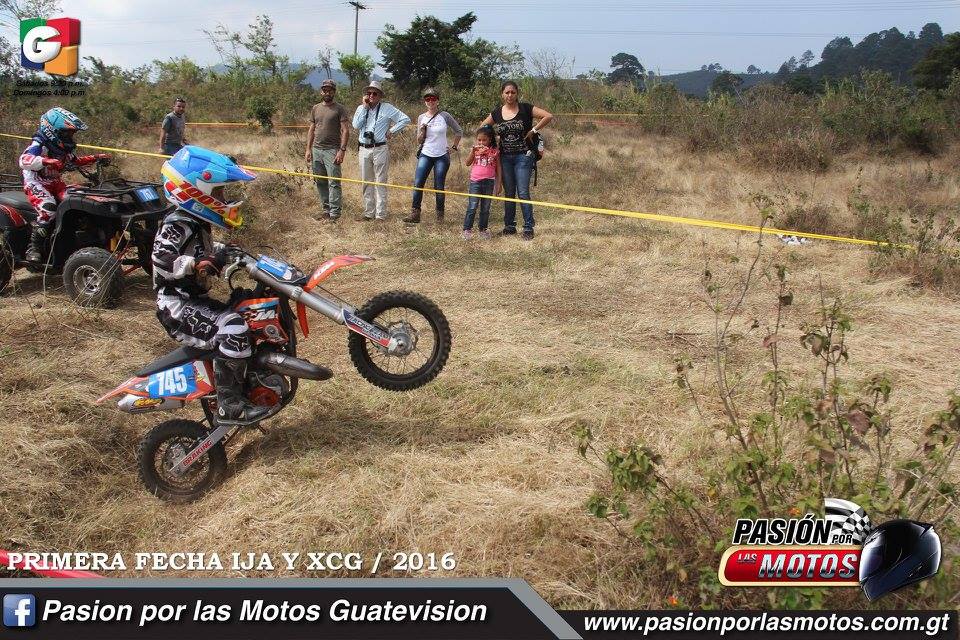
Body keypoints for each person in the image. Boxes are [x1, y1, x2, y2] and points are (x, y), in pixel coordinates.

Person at [153, 145, 269, 424]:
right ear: (196, 191)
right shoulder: (177, 224)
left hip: (192, 301)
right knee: (234, 328)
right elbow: (161, 259)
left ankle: (252, 383)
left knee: (247, 311)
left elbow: (200, 249)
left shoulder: (195, 223)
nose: (223, 199)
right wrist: (196, 264)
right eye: (218, 192)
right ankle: (230, 405)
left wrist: (224, 251)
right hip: (175, 305)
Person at [18, 107, 109, 263]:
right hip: (36, 182)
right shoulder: (39, 144)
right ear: (52, 130)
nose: (70, 136)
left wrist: (96, 157)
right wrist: (45, 161)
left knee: (78, 202)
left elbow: (76, 161)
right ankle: (34, 248)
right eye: (67, 133)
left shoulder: (63, 148)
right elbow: (24, 160)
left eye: (72, 133)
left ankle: (80, 241)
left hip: (56, 182)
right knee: (48, 209)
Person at [480, 81, 553, 240]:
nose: (510, 95)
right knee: (509, 193)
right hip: (505, 157)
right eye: (507, 92)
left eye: (513, 92)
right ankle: (509, 227)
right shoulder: (497, 113)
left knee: (523, 192)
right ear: (502, 94)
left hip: (523, 156)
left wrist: (533, 130)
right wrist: (491, 140)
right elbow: (483, 127)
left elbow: (548, 116)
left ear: (517, 93)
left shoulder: (526, 108)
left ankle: (528, 227)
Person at [351, 80, 410, 222]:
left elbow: (405, 119)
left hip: (380, 148)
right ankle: (368, 213)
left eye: (375, 93)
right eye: (369, 93)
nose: (371, 95)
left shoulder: (387, 108)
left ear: (380, 96)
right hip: (364, 148)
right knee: (366, 181)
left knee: (380, 181)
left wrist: (392, 131)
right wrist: (364, 108)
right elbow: (356, 125)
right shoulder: (360, 108)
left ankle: (380, 215)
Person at [403, 87, 462, 224]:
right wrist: (422, 131)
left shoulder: (445, 116)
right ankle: (415, 214)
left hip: (442, 155)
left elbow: (459, 131)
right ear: (425, 101)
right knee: (418, 183)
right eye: (427, 99)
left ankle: (440, 217)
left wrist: (454, 147)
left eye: (433, 98)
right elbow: (418, 140)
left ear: (438, 101)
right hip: (426, 153)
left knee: (439, 186)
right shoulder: (421, 117)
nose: (430, 101)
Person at [305, 79, 350, 222]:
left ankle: (335, 214)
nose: (327, 92)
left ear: (334, 92)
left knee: (334, 182)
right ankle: (326, 210)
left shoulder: (339, 109)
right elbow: (312, 129)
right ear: (321, 91)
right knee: (320, 181)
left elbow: (345, 130)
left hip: (332, 150)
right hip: (317, 150)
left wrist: (342, 150)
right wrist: (308, 149)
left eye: (330, 90)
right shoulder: (315, 108)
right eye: (324, 90)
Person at [462, 125, 501, 240]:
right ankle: (467, 229)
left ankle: (483, 229)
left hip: (489, 182)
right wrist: (473, 152)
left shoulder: (495, 151)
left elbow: (499, 168)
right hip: (475, 181)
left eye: (484, 140)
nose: (481, 142)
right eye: (479, 140)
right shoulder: (475, 150)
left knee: (485, 208)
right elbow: (467, 163)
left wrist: (498, 184)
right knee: (472, 206)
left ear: (490, 139)